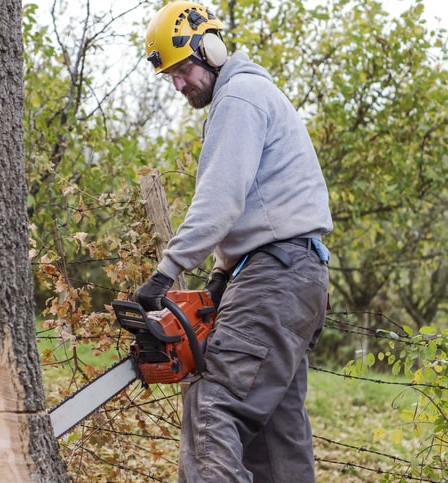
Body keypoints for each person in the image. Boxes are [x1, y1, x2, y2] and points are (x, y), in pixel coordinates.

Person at [134, 2, 333, 482]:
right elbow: (258, 206)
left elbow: (220, 200)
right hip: (298, 276)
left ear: (212, 49)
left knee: (213, 407)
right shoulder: (254, 94)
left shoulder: (239, 98)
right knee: (276, 435)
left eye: (182, 69)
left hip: (275, 277)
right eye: (170, 76)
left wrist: (164, 273)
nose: (179, 84)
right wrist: (222, 278)